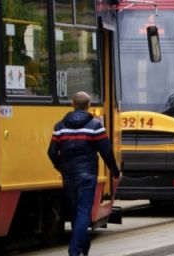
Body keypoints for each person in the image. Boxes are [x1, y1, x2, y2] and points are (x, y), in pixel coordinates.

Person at [47, 91, 121, 256]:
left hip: (69, 176)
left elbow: (51, 152)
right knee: (83, 212)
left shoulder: (59, 127)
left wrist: (61, 167)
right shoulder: (95, 126)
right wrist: (115, 172)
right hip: (87, 175)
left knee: (75, 211)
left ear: (72, 105)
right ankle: (74, 250)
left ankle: (83, 246)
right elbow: (106, 152)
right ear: (89, 106)